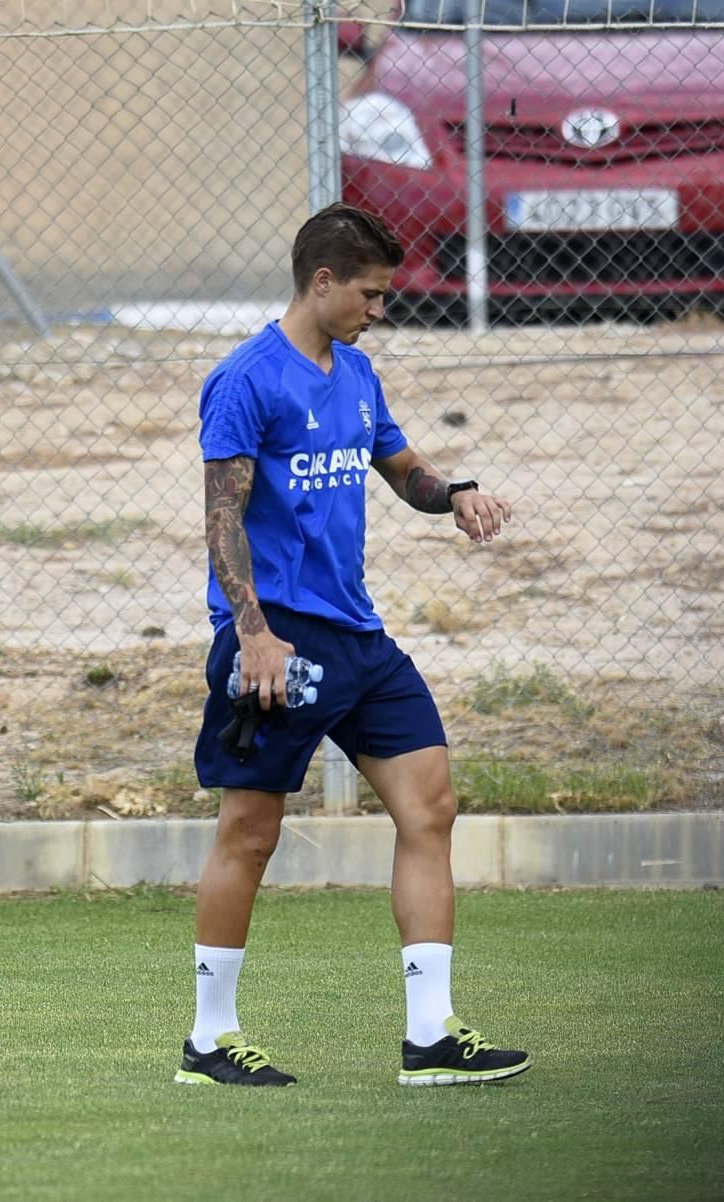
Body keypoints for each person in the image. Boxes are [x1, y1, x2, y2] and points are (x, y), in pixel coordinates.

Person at [174, 203, 532, 1088]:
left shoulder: (359, 374)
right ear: (323, 281)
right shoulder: (245, 380)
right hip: (279, 643)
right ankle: (209, 1041)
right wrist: (251, 633)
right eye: (371, 294)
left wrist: (456, 494)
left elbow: (402, 469)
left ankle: (430, 1037)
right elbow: (222, 522)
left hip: (361, 641)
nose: (381, 310)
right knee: (250, 835)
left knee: (431, 806)